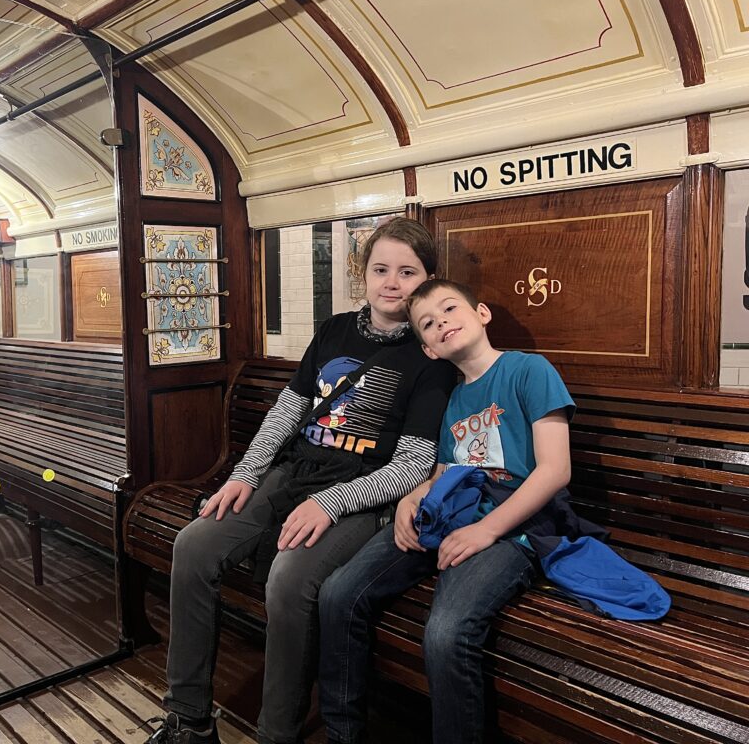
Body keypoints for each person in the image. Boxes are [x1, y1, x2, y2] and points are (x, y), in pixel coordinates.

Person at [144, 219, 457, 744]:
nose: (391, 282)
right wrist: (245, 474)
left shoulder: (430, 357)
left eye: (407, 272)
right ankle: (188, 721)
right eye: (380, 269)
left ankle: (276, 735)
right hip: (295, 472)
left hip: (362, 493)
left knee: (289, 580)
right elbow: (289, 410)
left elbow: (411, 465)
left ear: (426, 279)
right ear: (363, 274)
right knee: (194, 545)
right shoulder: (334, 329)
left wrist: (332, 503)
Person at [317, 279, 576, 744]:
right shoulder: (455, 397)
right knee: (338, 594)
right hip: (453, 512)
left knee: (445, 632)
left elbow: (555, 471)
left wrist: (486, 531)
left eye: (450, 309)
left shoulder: (528, 371)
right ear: (429, 349)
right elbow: (441, 472)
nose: (442, 324)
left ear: (482, 314)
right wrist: (409, 500)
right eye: (429, 324)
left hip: (515, 526)